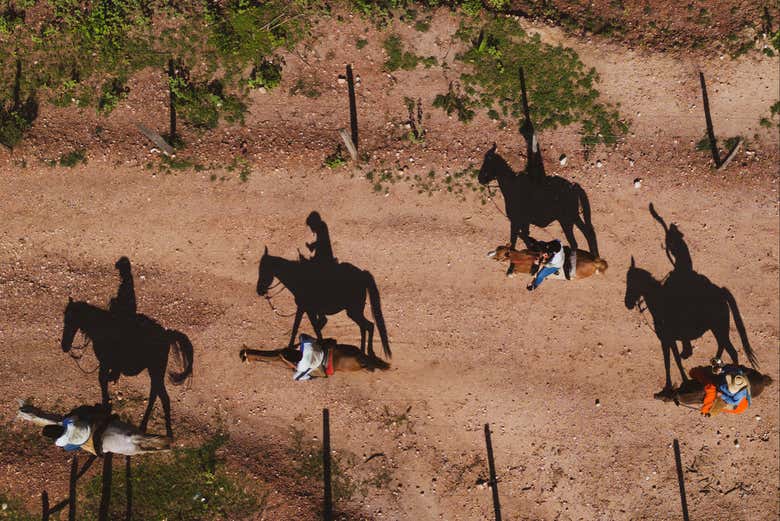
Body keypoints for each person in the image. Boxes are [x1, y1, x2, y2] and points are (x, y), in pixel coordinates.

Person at [18, 403, 171, 456]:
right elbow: (75, 417)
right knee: (88, 415)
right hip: (88, 427)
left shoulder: (62, 443)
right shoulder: (69, 423)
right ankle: (157, 441)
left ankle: (159, 450)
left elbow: (73, 446)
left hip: (86, 440)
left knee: (81, 447)